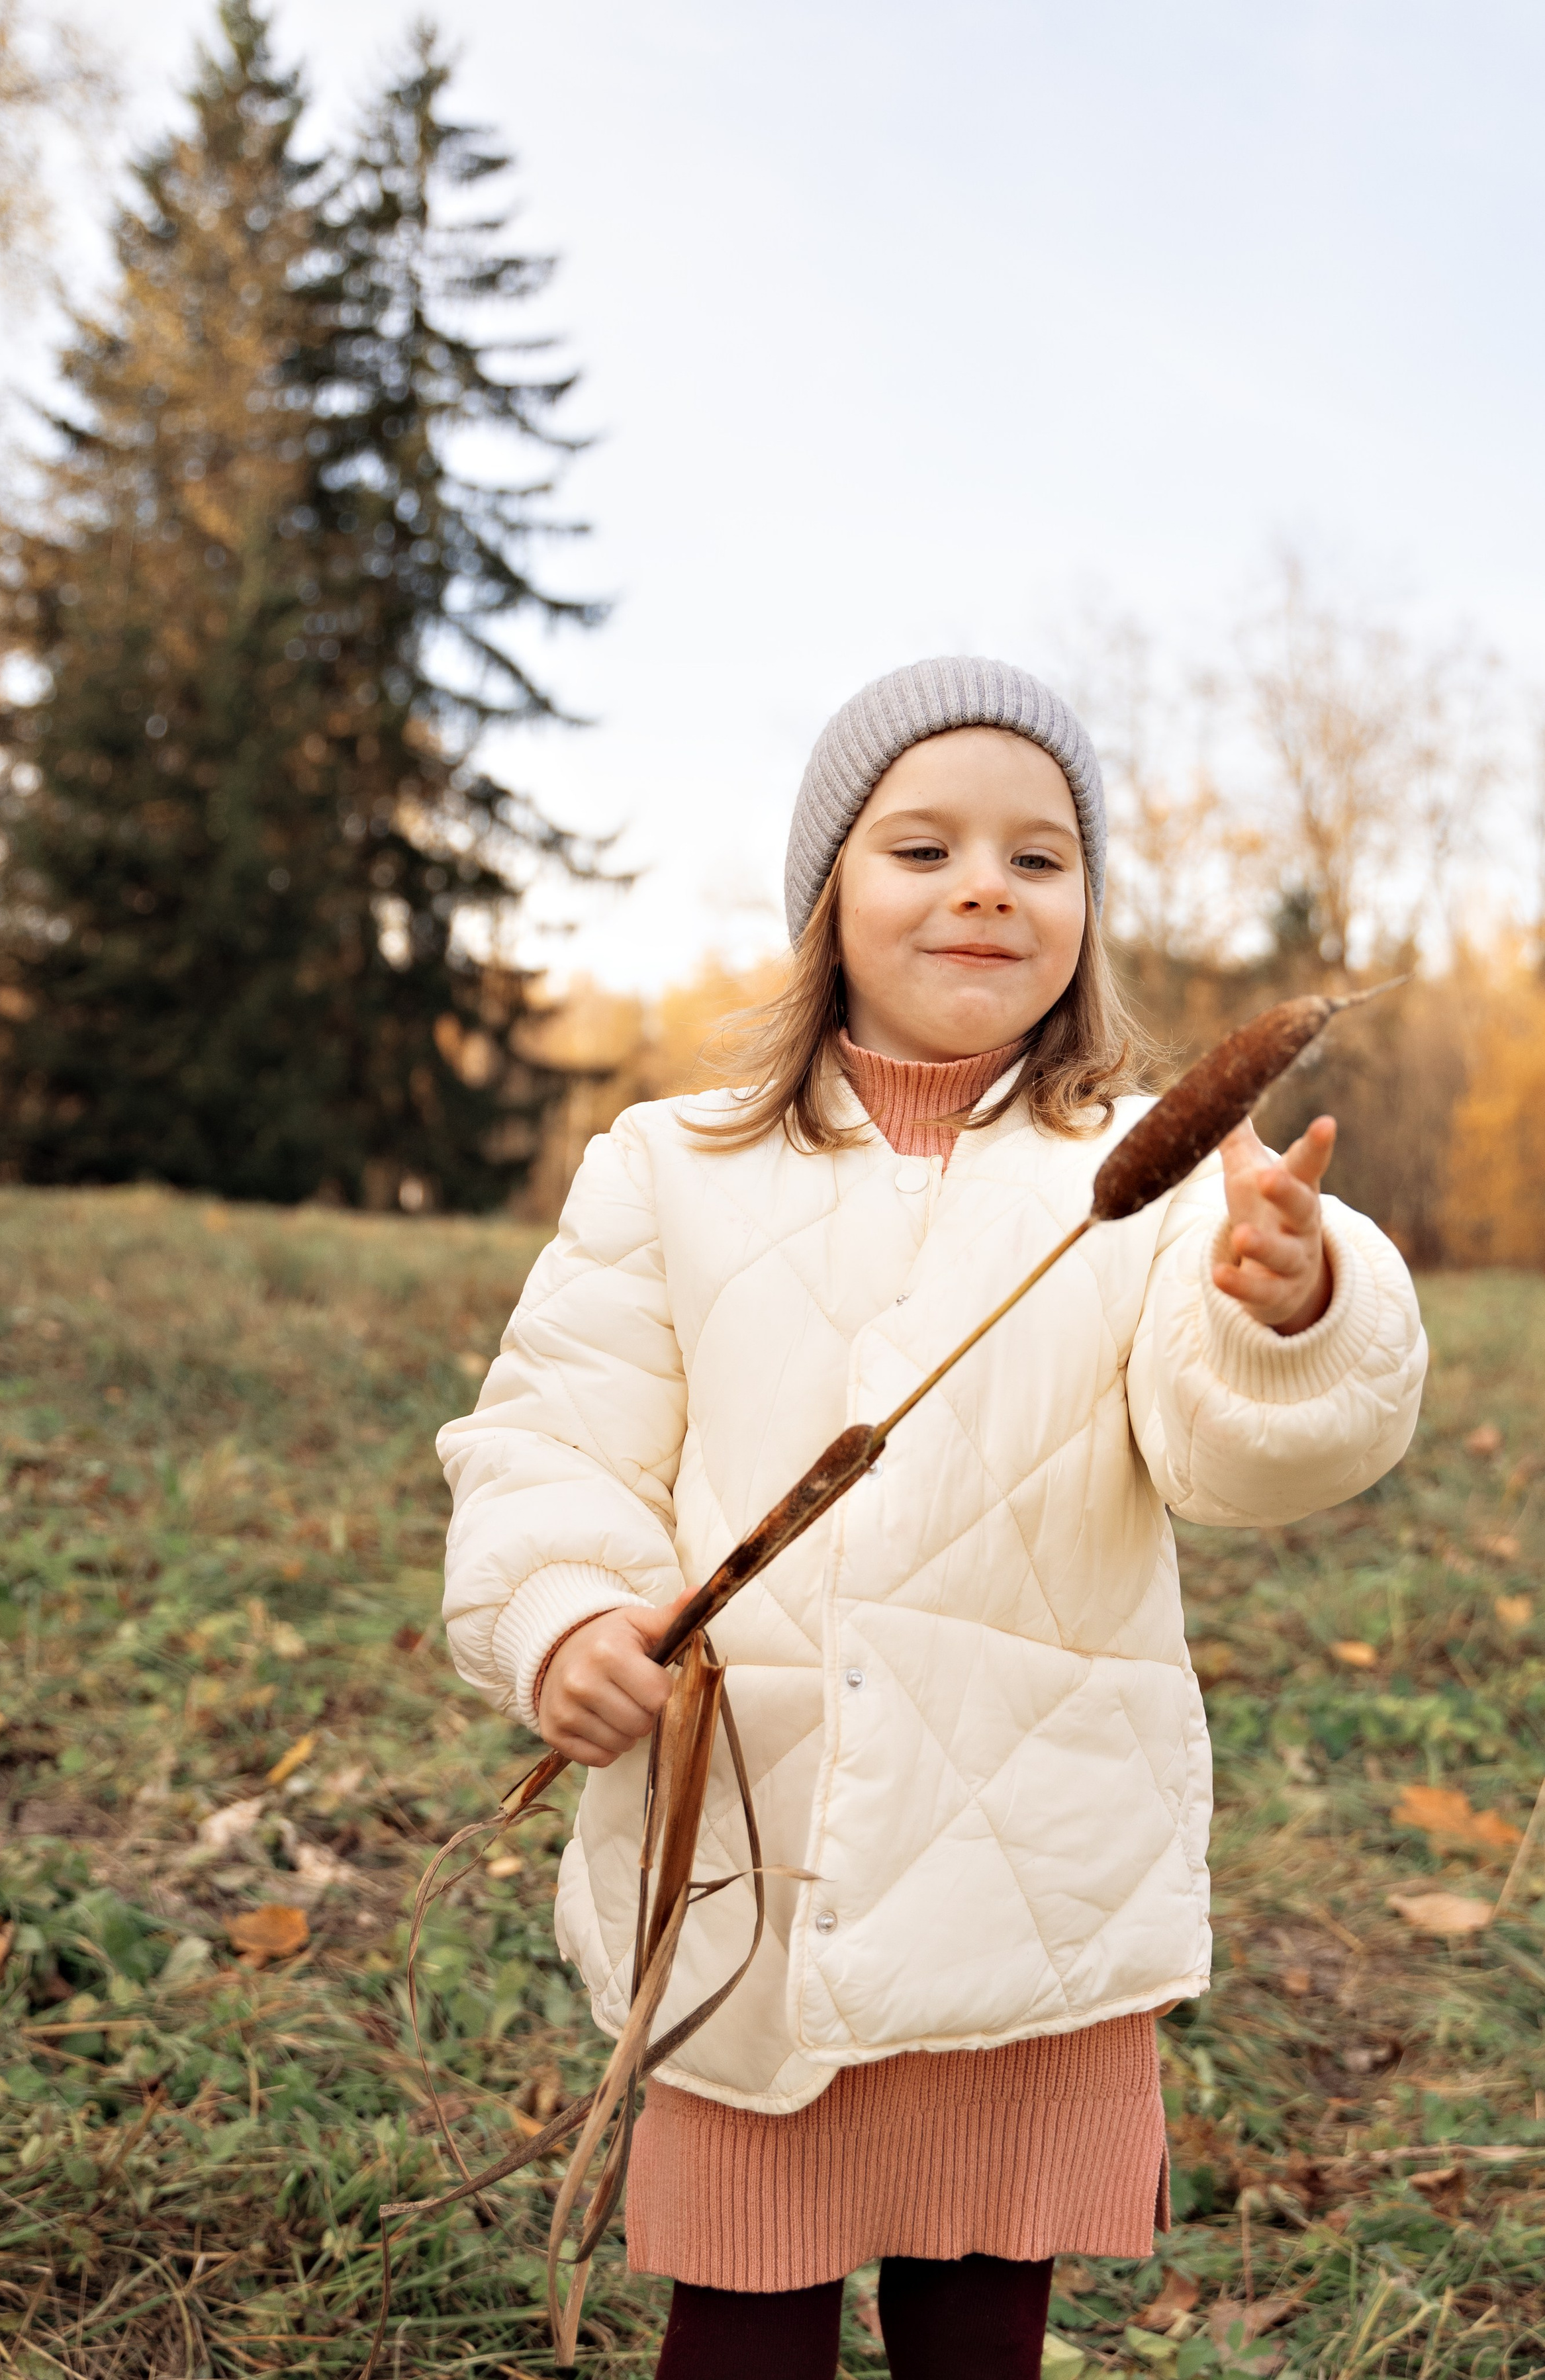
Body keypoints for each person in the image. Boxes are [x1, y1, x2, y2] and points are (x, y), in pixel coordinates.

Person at [437, 658, 1427, 2380]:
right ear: (827, 894)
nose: (985, 884)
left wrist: (1298, 1300)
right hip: (759, 1858)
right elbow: (552, 1441)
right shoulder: (673, 1165)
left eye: (1041, 858)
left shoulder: (1158, 1179)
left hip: (1026, 1865)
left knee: (982, 2315)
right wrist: (567, 1616)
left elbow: (1234, 1454)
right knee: (742, 2311)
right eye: (924, 846)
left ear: (1088, 914)